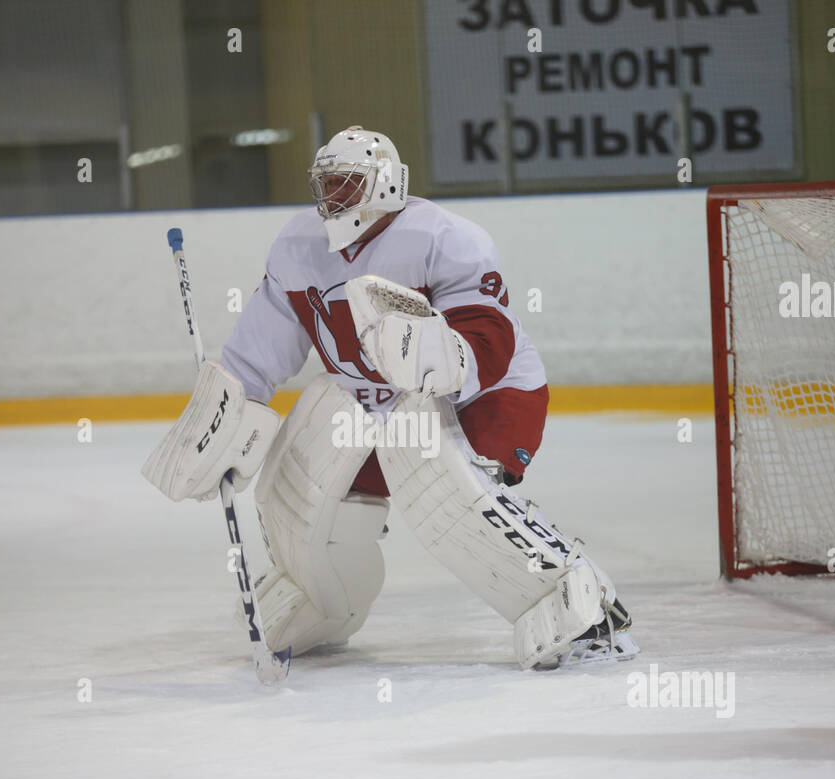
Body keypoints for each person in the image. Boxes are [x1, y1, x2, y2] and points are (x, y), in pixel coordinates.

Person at [143, 125, 634, 671]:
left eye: (347, 184)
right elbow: (259, 351)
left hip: (486, 397)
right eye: (325, 184)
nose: (333, 198)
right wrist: (223, 418)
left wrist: (440, 354)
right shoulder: (297, 246)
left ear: (385, 183)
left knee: (443, 490)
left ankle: (579, 605)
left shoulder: (443, 236)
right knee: (295, 487)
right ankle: (325, 599)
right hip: (372, 406)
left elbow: (490, 340)